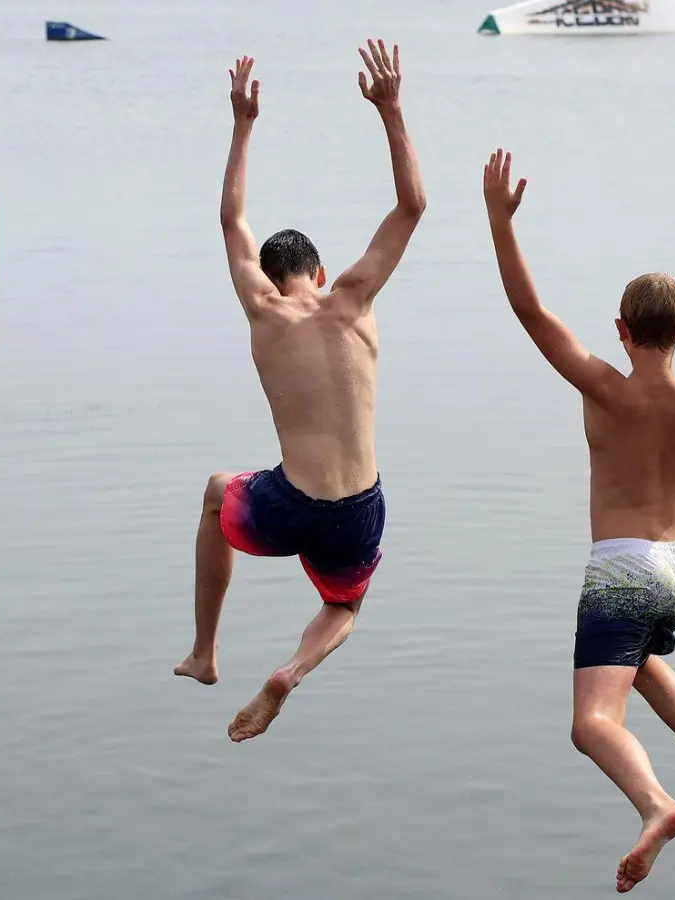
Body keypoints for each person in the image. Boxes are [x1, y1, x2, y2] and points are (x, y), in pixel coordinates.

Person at [484, 148, 675, 894]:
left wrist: (501, 222)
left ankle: (657, 806)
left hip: (623, 568)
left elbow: (529, 311)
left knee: (591, 723)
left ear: (620, 328)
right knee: (640, 655)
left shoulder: (601, 385)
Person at [172, 41, 426, 743]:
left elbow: (230, 220)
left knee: (220, 488)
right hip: (358, 506)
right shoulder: (354, 298)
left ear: (271, 274)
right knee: (343, 608)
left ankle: (204, 652)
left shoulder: (260, 308)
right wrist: (391, 110)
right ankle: (291, 670)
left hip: (289, 503)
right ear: (318, 272)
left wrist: (242, 122)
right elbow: (412, 205)